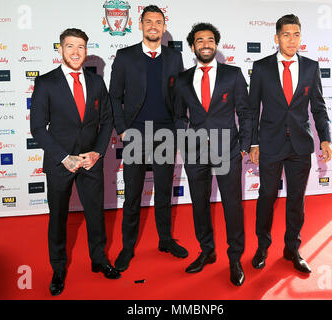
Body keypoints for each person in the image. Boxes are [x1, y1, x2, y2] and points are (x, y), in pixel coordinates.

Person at [30, 28, 120, 296]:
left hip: (90, 161)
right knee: (58, 217)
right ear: (60, 50)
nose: (76, 52)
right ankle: (58, 268)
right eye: (70, 46)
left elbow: (107, 121)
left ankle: (99, 259)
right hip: (60, 163)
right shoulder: (46, 83)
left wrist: (97, 153)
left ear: (86, 51)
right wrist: (63, 157)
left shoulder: (96, 82)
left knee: (95, 214)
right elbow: (38, 127)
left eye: (81, 47)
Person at [249, 14, 332, 273]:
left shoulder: (311, 67)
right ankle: (262, 245)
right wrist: (253, 143)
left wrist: (326, 137)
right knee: (266, 196)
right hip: (270, 143)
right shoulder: (261, 67)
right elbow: (252, 110)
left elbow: (318, 107)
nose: (292, 40)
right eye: (286, 34)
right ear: (276, 38)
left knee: (296, 199)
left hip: (300, 145)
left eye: (296, 34)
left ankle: (292, 248)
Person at [172, 23, 253, 286]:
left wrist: (244, 145)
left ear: (216, 44)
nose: (205, 44)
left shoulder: (233, 74)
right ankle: (206, 250)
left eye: (210, 40)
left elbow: (245, 113)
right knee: (199, 204)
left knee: (232, 205)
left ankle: (235, 257)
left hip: (228, 149)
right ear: (193, 46)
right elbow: (178, 115)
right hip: (195, 152)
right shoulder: (183, 79)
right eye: (199, 40)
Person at [109, 5, 188, 272]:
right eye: (148, 21)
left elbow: (180, 97)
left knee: (164, 192)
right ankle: (127, 247)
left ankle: (165, 240)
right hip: (136, 135)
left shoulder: (174, 58)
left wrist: (179, 130)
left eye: (158, 22)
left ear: (164, 27)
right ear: (140, 25)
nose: (153, 26)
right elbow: (114, 97)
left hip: (166, 135)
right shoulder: (125, 56)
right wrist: (122, 129)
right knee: (132, 195)